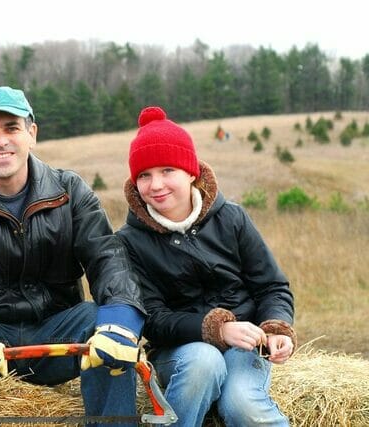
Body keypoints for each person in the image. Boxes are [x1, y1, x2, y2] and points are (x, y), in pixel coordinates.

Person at [0, 85, 145, 427]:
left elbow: (107, 255)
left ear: (31, 134)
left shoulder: (69, 191)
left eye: (11, 128)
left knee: (106, 329)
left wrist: (122, 318)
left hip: (58, 327)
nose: (0, 140)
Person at [118, 106, 296, 426]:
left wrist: (275, 327)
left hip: (247, 345)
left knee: (243, 405)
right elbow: (153, 320)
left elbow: (271, 286)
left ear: (191, 173)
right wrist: (217, 330)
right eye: (144, 175)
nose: (156, 184)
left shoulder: (233, 218)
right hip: (180, 352)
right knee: (205, 360)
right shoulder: (130, 242)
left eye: (167, 170)